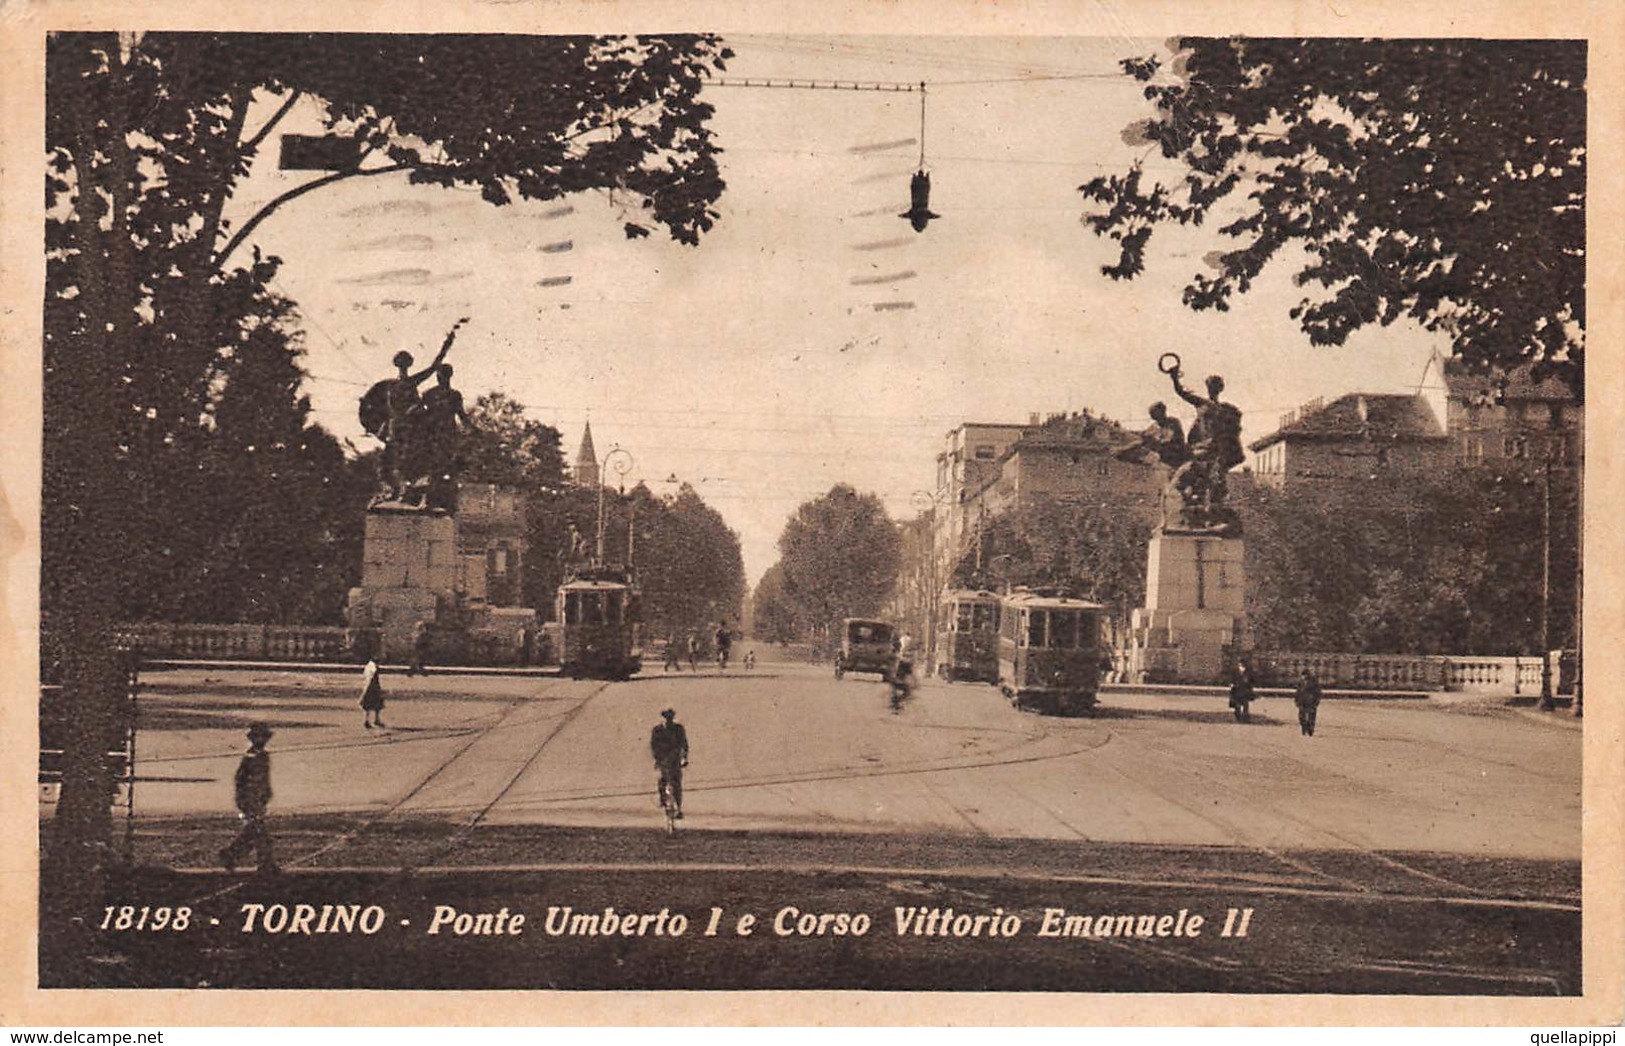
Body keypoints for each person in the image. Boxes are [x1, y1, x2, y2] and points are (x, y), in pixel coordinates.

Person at [219, 723, 277, 875]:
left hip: (256, 799)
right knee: (259, 833)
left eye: (264, 737)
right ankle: (264, 863)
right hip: (251, 800)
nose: (262, 740)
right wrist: (246, 799)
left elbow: (263, 779)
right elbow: (241, 780)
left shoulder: (261, 756)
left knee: (254, 832)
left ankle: (232, 856)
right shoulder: (252, 757)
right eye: (259, 737)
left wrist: (266, 794)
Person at [650, 708, 689, 819]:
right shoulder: (657, 730)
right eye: (666, 718)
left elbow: (684, 745)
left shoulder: (678, 729)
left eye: (670, 718)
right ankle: (663, 799)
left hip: (675, 760)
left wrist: (684, 758)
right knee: (662, 780)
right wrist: (657, 759)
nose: (668, 720)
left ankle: (678, 808)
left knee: (676, 783)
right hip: (662, 760)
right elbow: (654, 746)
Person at [1294, 670, 1323, 736]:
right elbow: (1297, 692)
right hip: (1302, 702)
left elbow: (1318, 693)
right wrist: (1297, 701)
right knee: (1301, 717)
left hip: (1311, 702)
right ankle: (1304, 729)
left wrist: (1316, 702)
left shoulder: (1314, 683)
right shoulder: (1301, 682)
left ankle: (1310, 730)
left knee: (1311, 717)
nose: (1304, 677)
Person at [359, 657, 385, 729]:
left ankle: (366, 720)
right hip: (373, 689)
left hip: (367, 687)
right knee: (377, 705)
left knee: (367, 706)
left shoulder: (367, 666)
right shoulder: (374, 667)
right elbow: (372, 677)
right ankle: (376, 720)